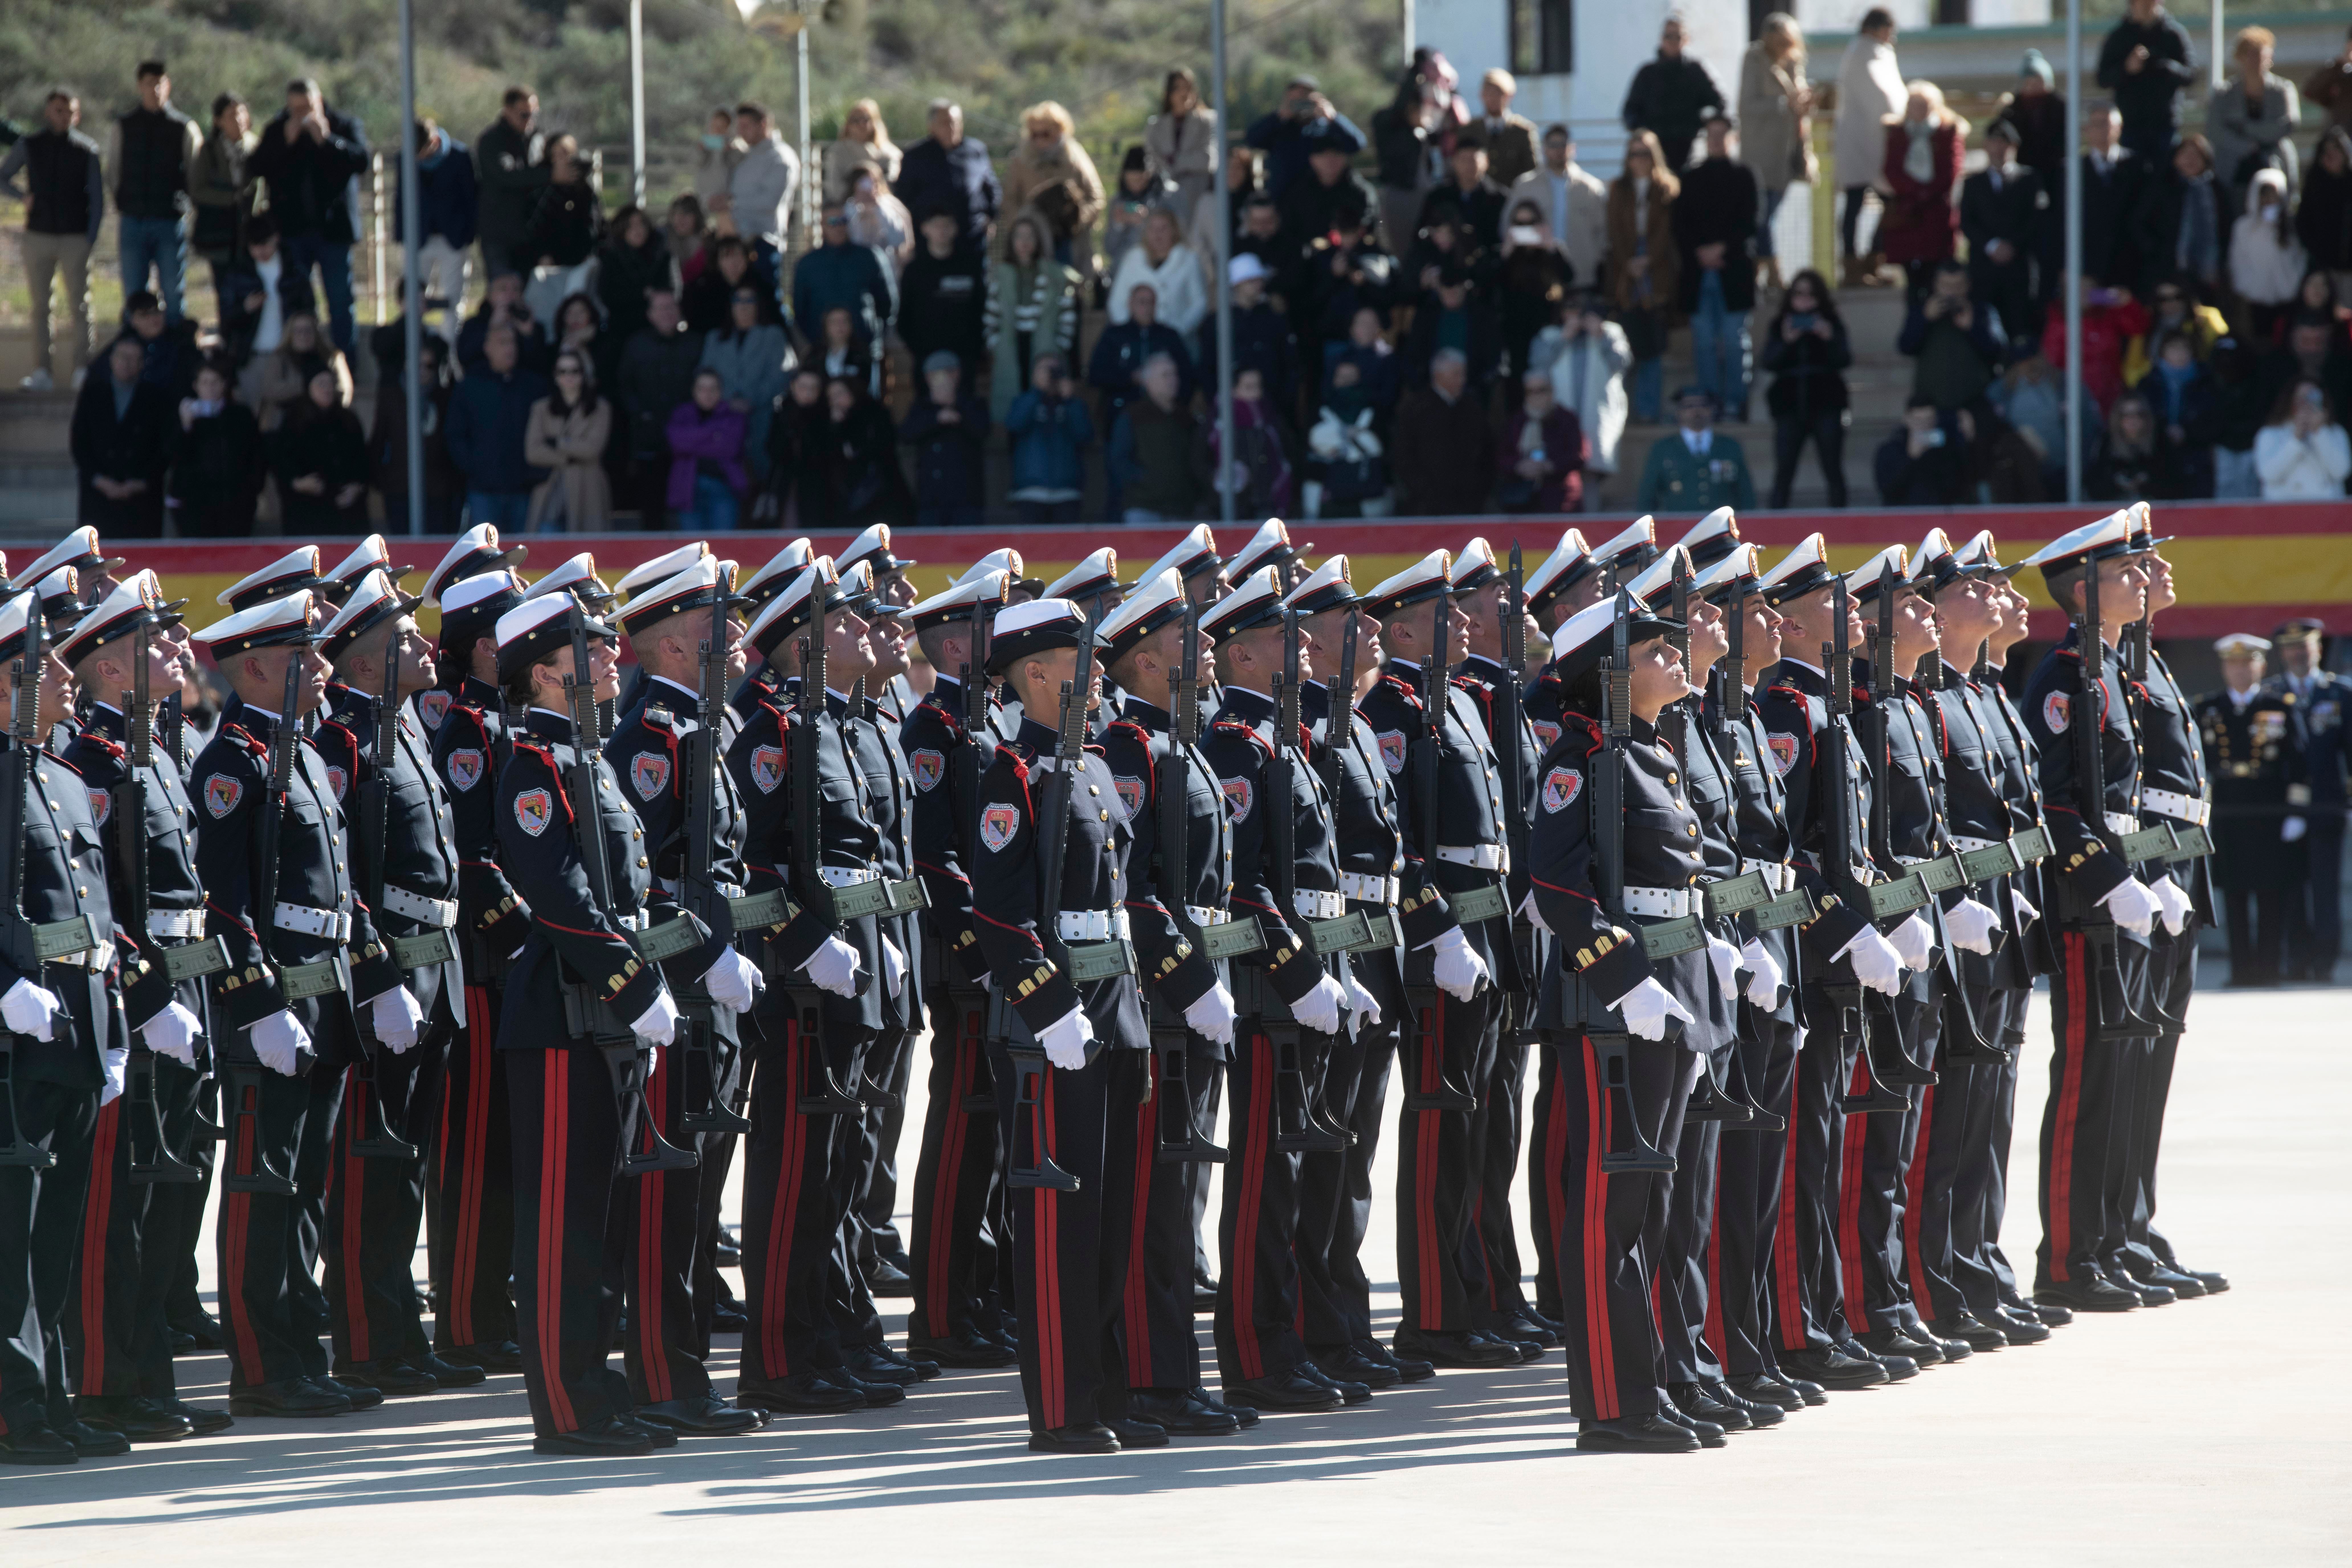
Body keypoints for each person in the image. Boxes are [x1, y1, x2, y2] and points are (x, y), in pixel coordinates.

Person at [187, 591, 418, 1419]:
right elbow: (221, 900)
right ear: (256, 667)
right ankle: (263, 1365)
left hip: (323, 996)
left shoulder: (310, 756)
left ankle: (302, 1349)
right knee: (263, 1182)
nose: (322, 669)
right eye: (304, 657)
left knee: (306, 1186)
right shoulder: (233, 762)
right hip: (274, 1004)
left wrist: (379, 975)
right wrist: (254, 1002)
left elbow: (343, 892)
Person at [307, 576, 473, 1400]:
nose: (426, 649)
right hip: (391, 975)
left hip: (433, 965)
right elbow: (351, 880)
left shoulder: (401, 727)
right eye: (408, 641)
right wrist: (379, 979)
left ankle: (399, 1332)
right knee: (370, 1164)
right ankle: (368, 1340)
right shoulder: (343, 741)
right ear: (370, 660)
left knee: (405, 1164)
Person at [2197, 634, 2305, 986]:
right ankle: (2241, 969)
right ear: (2224, 668)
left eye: (2248, 663)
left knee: (2273, 892)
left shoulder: (2280, 705)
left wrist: (2296, 812)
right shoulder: (2208, 707)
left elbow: (2300, 761)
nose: (2241, 670)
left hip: (2270, 809)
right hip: (2228, 809)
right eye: (2234, 664)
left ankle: (2270, 968)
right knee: (2234, 893)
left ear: (2261, 665)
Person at [245, 79, 369, 355]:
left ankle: (345, 366)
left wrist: (328, 141)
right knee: (299, 304)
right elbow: (257, 167)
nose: (302, 115)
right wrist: (284, 143)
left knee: (340, 302)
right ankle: (303, 367)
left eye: (308, 107)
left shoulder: (343, 126)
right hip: (293, 233)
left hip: (333, 233)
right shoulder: (278, 129)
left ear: (319, 101)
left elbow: (361, 161)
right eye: (296, 109)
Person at [3, 90, 104, 390]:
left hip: (75, 237)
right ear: (49, 113)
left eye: (70, 111)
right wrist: (23, 197)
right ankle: (42, 372)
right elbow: (4, 176)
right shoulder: (30, 145)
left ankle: (82, 369)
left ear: (78, 115)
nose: (64, 116)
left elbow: (97, 200)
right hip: (39, 235)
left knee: (80, 306)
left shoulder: (87, 150)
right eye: (59, 110)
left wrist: (90, 239)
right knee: (40, 307)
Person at [2268, 620, 2347, 983]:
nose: (2298, 653)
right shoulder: (2271, 695)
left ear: (2318, 648)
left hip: (2326, 808)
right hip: (2283, 811)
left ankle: (2325, 962)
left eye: (2305, 646)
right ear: (2282, 653)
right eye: (2291, 647)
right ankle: (2296, 959)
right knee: (2289, 888)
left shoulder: (2339, 693)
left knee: (2325, 889)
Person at [1675, 113, 1759, 420]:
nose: (1716, 140)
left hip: (1734, 272)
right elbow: (1681, 224)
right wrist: (1701, 252)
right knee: (1704, 343)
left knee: (1735, 341)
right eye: (1711, 134)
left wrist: (1723, 248)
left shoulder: (1745, 175)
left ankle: (1736, 402)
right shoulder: (1690, 177)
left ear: (1733, 138)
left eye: (1722, 134)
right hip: (1699, 275)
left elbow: (1750, 221)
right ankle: (1710, 401)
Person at [109, 62, 200, 326]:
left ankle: (174, 355)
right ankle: (131, 355)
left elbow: (195, 174)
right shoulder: (124, 126)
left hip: (169, 222)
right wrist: (124, 201)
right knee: (134, 295)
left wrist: (185, 207)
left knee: (173, 292)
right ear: (140, 87)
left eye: (160, 83)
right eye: (150, 84)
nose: (155, 89)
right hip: (133, 221)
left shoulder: (184, 127)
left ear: (168, 86)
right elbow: (114, 171)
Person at [1761, 269, 1851, 507]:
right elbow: (1768, 362)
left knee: (1833, 467)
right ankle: (1777, 523)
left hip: (1827, 403)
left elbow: (1844, 360)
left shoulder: (1831, 323)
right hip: (1789, 405)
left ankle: (1840, 522)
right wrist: (1786, 342)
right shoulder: (1780, 324)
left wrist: (1829, 337)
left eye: (1811, 295)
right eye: (1798, 294)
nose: (1804, 300)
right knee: (1784, 470)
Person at [448, 325, 552, 531]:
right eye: (502, 343)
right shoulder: (470, 387)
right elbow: (455, 435)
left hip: (525, 490)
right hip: (483, 492)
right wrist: (475, 468)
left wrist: (536, 473)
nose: (509, 349)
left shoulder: (534, 387)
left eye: (513, 342)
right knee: (486, 555)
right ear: (487, 348)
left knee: (524, 557)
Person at [616, 289, 705, 527]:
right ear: (650, 314)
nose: (667, 313)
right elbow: (624, 386)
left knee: (688, 508)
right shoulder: (636, 345)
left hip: (688, 443)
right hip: (649, 441)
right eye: (661, 308)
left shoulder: (695, 344)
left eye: (671, 307)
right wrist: (640, 415)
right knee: (651, 509)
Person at [1607, 130, 1679, 424]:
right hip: (1625, 271)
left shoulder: (1667, 188)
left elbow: (1667, 230)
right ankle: (1622, 413)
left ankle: (1649, 411)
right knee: (1626, 341)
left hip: (1656, 269)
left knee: (1652, 344)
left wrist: (1649, 258)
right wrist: (1629, 263)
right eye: (1634, 154)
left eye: (1645, 154)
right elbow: (1615, 231)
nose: (1639, 160)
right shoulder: (1618, 190)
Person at [1739, 16, 1813, 294]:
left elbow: (1800, 102)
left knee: (1769, 217)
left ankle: (1762, 269)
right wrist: (1785, 104)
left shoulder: (1795, 63)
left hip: (1788, 151)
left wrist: (1805, 104)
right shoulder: (1755, 59)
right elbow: (1747, 104)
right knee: (1763, 217)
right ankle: (1772, 271)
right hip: (1760, 152)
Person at [986, 212, 1082, 420]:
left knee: (1044, 406)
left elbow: (1068, 318)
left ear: (1040, 240)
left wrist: (1059, 346)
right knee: (1014, 408)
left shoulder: (1056, 275)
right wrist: (998, 345)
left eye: (1030, 236)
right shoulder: (1000, 276)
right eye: (1019, 236)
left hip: (1046, 352)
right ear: (1011, 241)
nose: (1025, 242)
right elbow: (991, 318)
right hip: (1011, 351)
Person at [1834, 9, 1905, 284]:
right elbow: (1882, 96)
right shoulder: (1864, 53)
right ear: (1878, 29)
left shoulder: (1874, 53)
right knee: (1861, 201)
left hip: (1874, 139)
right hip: (1865, 138)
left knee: (1885, 202)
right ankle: (1855, 265)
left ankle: (1871, 261)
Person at [71, 337, 170, 534]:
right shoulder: (93, 395)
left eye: (134, 359)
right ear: (112, 360)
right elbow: (79, 442)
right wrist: (100, 481)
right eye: (123, 357)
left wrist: (140, 483)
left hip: (142, 501)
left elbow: (164, 447)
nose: (127, 363)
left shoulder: (156, 398)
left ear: (143, 364)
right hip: (99, 498)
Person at [1960, 121, 2043, 349]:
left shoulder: (2029, 179)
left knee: (2020, 328)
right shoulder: (1973, 183)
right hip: (1984, 269)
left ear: (2014, 146)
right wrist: (1992, 245)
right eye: (1993, 142)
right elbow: (1967, 222)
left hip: (2018, 269)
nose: (1998, 148)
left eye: (2004, 143)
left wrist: (2013, 245)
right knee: (1985, 327)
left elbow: (2035, 220)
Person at [1879, 83, 1966, 300]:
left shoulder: (1947, 133)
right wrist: (1914, 192)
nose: (1917, 109)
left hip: (1936, 214)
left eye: (1923, 105)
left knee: (1935, 277)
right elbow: (1891, 169)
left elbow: (1951, 169)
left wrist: (1928, 193)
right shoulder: (1897, 134)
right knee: (1911, 282)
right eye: (1913, 104)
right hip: (1906, 214)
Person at [698, 286, 792, 481]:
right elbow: (705, 376)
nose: (744, 307)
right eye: (738, 301)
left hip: (763, 417)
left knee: (762, 472)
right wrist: (727, 402)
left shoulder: (774, 335)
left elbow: (780, 376)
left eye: (750, 301)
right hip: (723, 418)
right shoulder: (714, 338)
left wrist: (751, 401)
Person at [1000, 101, 1105, 274]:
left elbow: (1096, 196)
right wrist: (1022, 228)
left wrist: (1078, 220)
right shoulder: (1020, 160)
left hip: (1070, 238)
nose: (1040, 139)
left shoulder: (1075, 156)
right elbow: (1009, 200)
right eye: (1034, 134)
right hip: (1033, 240)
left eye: (1046, 134)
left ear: (1060, 130)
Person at [371, 337, 463, 534]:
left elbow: (453, 441)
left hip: (438, 490)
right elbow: (379, 439)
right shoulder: (392, 396)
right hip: (399, 488)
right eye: (416, 364)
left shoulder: (445, 398)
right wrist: (381, 480)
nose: (422, 371)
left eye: (429, 366)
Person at [401, 119, 479, 345]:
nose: (418, 158)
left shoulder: (459, 156)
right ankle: (417, 350)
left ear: (434, 142)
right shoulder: (405, 157)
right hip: (418, 239)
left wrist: (467, 235)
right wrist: (402, 235)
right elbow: (401, 199)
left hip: (453, 240)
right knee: (413, 299)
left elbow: (471, 199)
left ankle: (449, 351)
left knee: (453, 299)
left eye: (422, 152)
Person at [167, 358, 266, 535]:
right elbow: (175, 457)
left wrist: (252, 491)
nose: (210, 388)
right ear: (196, 386)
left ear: (224, 385)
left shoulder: (241, 416)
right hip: (195, 507)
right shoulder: (183, 416)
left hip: (236, 505)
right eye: (205, 382)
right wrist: (186, 427)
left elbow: (256, 454)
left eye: (215, 382)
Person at [1107, 354, 1209, 522]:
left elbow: (1198, 459)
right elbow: (1119, 460)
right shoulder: (1133, 416)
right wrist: (1146, 481)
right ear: (1149, 382)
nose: (1173, 380)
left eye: (1175, 374)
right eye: (1165, 375)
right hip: (1144, 508)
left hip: (1183, 509)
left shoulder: (1186, 418)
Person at [1390, 348, 1494, 514]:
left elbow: (1487, 452)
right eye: (1457, 374)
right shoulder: (1415, 409)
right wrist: (1423, 491)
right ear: (1439, 375)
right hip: (1425, 507)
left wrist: (1479, 490)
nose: (1463, 380)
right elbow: (1403, 456)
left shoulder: (1473, 408)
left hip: (1470, 505)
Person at [517, 134, 605, 330]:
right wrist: (542, 254)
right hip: (546, 266)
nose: (562, 160)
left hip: (580, 265)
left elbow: (595, 225)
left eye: (566, 154)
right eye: (555, 155)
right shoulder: (540, 188)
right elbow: (533, 226)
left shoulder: (585, 190)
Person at [2209, 27, 2301, 213]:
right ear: (2239, 58)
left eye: (2260, 55)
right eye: (2250, 55)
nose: (2256, 61)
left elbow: (2288, 124)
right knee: (2236, 217)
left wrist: (2246, 128)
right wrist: (2246, 146)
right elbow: (2214, 130)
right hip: (2235, 169)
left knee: (2276, 218)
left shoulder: (2283, 89)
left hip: (2274, 163)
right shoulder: (2224, 93)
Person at [1510, 125, 1608, 293]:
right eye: (1552, 145)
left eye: (1563, 145)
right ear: (1544, 149)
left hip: (1581, 276)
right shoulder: (1525, 186)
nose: (1558, 150)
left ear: (1573, 149)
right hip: (1537, 280)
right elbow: (1509, 227)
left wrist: (1594, 259)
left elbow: (1605, 233)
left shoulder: (1591, 188)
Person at [2097, 0, 2197, 165]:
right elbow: (2103, 79)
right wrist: (2127, 68)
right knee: (2131, 177)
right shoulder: (2119, 37)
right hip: (2130, 125)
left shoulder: (2173, 34)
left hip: (2165, 124)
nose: (2147, 6)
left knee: (2164, 178)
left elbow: (2190, 75)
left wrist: (2165, 66)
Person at [1622, 16, 1725, 174]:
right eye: (1668, 36)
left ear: (1686, 39)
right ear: (1661, 39)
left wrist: (1701, 121)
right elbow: (1629, 113)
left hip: (1688, 153)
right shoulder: (1647, 74)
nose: (1672, 41)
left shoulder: (1695, 72)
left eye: (1677, 36)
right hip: (1653, 158)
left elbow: (1719, 103)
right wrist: (1644, 134)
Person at [1088, 280, 1195, 433]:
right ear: (1131, 304)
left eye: (1151, 302)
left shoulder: (1169, 337)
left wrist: (1176, 403)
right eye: (1141, 302)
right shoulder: (1114, 336)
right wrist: (1131, 378)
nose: (1147, 308)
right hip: (1122, 413)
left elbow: (1187, 375)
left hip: (1163, 416)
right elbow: (1096, 375)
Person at [895, 100, 999, 257]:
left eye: (956, 123)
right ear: (932, 126)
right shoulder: (915, 156)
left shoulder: (976, 151)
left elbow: (992, 188)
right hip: (929, 243)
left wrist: (990, 217)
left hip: (972, 237)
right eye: (946, 123)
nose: (953, 128)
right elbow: (903, 196)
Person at [271, 368, 371, 531]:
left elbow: (363, 460)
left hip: (347, 514)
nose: (327, 389)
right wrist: (297, 483)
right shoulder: (294, 421)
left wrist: (358, 487)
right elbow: (280, 461)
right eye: (321, 384)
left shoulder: (348, 420)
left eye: (331, 384)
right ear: (309, 388)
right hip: (307, 514)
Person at [1902, 260, 2007, 415]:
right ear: (1935, 285)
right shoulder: (1923, 310)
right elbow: (1905, 347)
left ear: (1968, 285)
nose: (1951, 293)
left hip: (1975, 404)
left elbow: (1999, 351)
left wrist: (1973, 328)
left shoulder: (1983, 311)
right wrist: (1924, 319)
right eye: (1946, 286)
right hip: (1932, 405)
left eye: (1958, 286)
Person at [524, 350, 612, 530]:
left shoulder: (601, 408)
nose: (569, 376)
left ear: (583, 375)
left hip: (588, 492)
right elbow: (533, 452)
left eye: (575, 371)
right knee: (546, 549)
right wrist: (571, 457)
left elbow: (593, 449)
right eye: (563, 372)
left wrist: (557, 443)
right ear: (556, 377)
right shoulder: (541, 408)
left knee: (589, 551)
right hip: (551, 492)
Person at [899, 207, 989, 383]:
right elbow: (904, 315)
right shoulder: (914, 271)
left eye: (947, 225)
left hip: (965, 358)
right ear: (925, 229)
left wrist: (975, 349)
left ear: (955, 229)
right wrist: (918, 349)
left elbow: (981, 308)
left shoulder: (971, 267)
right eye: (936, 226)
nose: (941, 231)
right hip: (925, 358)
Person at [792, 203, 895, 357]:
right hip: (822, 350)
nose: (838, 226)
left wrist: (875, 335)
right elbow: (800, 309)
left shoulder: (870, 258)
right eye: (833, 222)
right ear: (822, 225)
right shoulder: (807, 264)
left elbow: (888, 303)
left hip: (865, 348)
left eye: (843, 220)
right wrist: (815, 341)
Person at [901, 352, 990, 528]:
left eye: (947, 374)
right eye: (934, 376)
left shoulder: (973, 403)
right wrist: (936, 418)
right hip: (930, 499)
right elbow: (906, 435)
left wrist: (956, 410)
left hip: (966, 498)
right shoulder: (921, 407)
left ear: (956, 375)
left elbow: (982, 431)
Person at [1247, 74, 1366, 203]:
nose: (1301, 105)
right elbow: (1252, 141)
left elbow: (1357, 144)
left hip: (1321, 199)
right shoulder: (1278, 126)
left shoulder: (1325, 126)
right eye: (1296, 100)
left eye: (1305, 98)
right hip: (1284, 198)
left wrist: (1334, 118)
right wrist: (1279, 117)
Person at [1636, 385, 1755, 512]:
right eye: (1689, 407)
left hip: (1720, 526)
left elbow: (1745, 493)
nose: (1697, 411)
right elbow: (1647, 496)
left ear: (1712, 410)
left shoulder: (1729, 446)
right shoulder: (1663, 449)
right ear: (1679, 412)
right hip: (1678, 526)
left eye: (1703, 406)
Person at [1005, 352, 1093, 523]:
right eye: (1045, 370)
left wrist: (1069, 401)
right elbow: (1014, 425)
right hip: (1030, 491)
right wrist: (1038, 392)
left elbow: (1085, 435)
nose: (1051, 375)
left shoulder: (1074, 404)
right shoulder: (1024, 401)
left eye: (1055, 370)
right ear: (1034, 375)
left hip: (1067, 491)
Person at [2136, 135, 2225, 299]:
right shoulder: (2160, 188)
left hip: (2208, 276)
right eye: (2185, 154)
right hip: (2165, 272)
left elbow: (2225, 230)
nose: (2191, 160)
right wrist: (2156, 253)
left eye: (2197, 155)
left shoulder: (2217, 191)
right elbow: (2139, 224)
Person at [191, 92, 257, 315]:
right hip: (220, 235)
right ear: (219, 121)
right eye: (231, 115)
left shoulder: (256, 146)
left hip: (251, 234)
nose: (238, 120)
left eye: (241, 114)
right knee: (226, 291)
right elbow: (198, 190)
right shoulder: (209, 151)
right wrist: (231, 199)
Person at [818, 375, 914, 526]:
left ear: (853, 392)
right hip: (850, 500)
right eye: (831, 397)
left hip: (882, 496)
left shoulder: (875, 415)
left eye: (840, 394)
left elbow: (879, 450)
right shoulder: (829, 424)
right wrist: (835, 428)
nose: (836, 401)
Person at [473, 86, 547, 281]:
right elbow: (507, 177)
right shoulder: (491, 141)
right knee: (503, 292)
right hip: (499, 234)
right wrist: (549, 175)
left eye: (534, 114)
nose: (530, 119)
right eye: (524, 115)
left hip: (531, 233)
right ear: (508, 110)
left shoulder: (538, 140)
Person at [1497, 202, 1575, 384]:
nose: (1526, 229)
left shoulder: (1551, 251)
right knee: (1517, 382)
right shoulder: (1508, 255)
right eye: (1519, 224)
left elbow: (1569, 277)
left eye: (1531, 223)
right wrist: (1505, 254)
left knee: (1547, 381)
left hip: (1545, 327)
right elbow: (1494, 285)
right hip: (1515, 331)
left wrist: (1551, 247)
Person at [2134, 330, 2219, 496]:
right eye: (2173, 349)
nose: (2179, 354)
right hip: (2157, 456)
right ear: (2162, 352)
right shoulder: (2148, 384)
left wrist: (2187, 433)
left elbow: (2214, 420)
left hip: (2197, 458)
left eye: (2184, 349)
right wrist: (2163, 433)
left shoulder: (2207, 382)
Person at [2078, 104, 2151, 295]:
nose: (2104, 130)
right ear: (2087, 130)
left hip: (2130, 265)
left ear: (2120, 129)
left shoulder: (2139, 167)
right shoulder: (2071, 171)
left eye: (2109, 124)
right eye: (2098, 124)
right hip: (2087, 267)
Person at [666, 369, 749, 531]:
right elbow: (677, 443)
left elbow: (729, 448)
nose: (707, 394)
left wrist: (692, 440)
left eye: (713, 389)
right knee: (693, 549)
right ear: (694, 391)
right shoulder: (681, 414)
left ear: (721, 391)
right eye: (702, 389)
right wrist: (714, 434)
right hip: (687, 491)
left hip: (724, 490)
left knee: (723, 548)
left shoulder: (734, 416)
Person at [2231, 170, 2310, 342]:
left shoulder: (2292, 226)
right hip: (2255, 298)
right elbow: (2238, 262)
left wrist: (2294, 285)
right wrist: (2248, 288)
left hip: (2288, 296)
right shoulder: (2243, 228)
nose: (2269, 200)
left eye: (2274, 195)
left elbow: (2300, 259)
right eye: (2264, 195)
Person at [1108, 207, 1208, 338]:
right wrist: (1130, 332)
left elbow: (1199, 303)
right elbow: (1117, 302)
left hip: (1177, 338)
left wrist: (1178, 331)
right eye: (1153, 229)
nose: (1158, 234)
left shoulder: (1189, 260)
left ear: (1174, 231)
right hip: (1136, 338)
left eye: (1164, 228)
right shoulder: (1132, 259)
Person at [1495, 368, 1583, 511]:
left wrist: (1550, 466)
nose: (1536, 396)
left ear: (1551, 391)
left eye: (1541, 390)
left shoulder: (1566, 419)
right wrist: (1519, 466)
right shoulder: (1517, 421)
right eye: (1531, 391)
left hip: (1562, 500)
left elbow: (1579, 455)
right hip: (1522, 501)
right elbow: (1502, 456)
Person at [2254, 378, 2352, 497]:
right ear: (2290, 401)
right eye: (2302, 399)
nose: (2307, 405)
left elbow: (2341, 472)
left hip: (2326, 508)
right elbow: (2268, 475)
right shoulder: (2270, 434)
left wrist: (2319, 433)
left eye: (2313, 398)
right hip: (2284, 508)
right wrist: (2296, 439)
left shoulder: (2336, 432)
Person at [729, 102, 801, 262]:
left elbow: (769, 202)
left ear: (763, 125)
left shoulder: (780, 158)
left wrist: (731, 204)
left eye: (746, 126)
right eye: (739, 127)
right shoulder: (746, 156)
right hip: (738, 242)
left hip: (765, 243)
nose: (740, 132)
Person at [1146, 68, 1220, 216]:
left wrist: (1174, 160)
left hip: (1198, 191)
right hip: (1165, 193)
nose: (1184, 94)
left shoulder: (1207, 120)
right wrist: (1177, 167)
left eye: (1188, 88)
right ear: (1169, 93)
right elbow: (1152, 160)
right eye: (1178, 88)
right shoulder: (1156, 125)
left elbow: (1207, 159)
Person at [1465, 68, 1539, 187]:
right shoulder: (1470, 130)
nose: (1492, 98)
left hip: (1513, 197)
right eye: (1488, 93)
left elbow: (1532, 171)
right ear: (1482, 96)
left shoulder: (1523, 131)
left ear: (1509, 96)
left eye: (1498, 93)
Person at [2298, 126, 2352, 290]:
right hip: (2324, 269)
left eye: (2336, 150)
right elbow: (2304, 225)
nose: (2331, 156)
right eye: (2326, 151)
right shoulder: (2314, 186)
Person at [825, 98, 903, 206]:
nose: (861, 125)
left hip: (882, 205)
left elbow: (894, 181)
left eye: (866, 119)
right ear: (848, 124)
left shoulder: (890, 153)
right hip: (847, 206)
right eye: (856, 120)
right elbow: (834, 188)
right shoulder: (838, 152)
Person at [693, 106, 745, 209]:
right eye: (715, 127)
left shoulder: (737, 147)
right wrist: (702, 151)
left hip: (726, 199)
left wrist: (730, 150)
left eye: (722, 128)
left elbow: (740, 165)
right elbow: (696, 163)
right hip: (704, 197)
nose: (717, 131)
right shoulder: (703, 146)